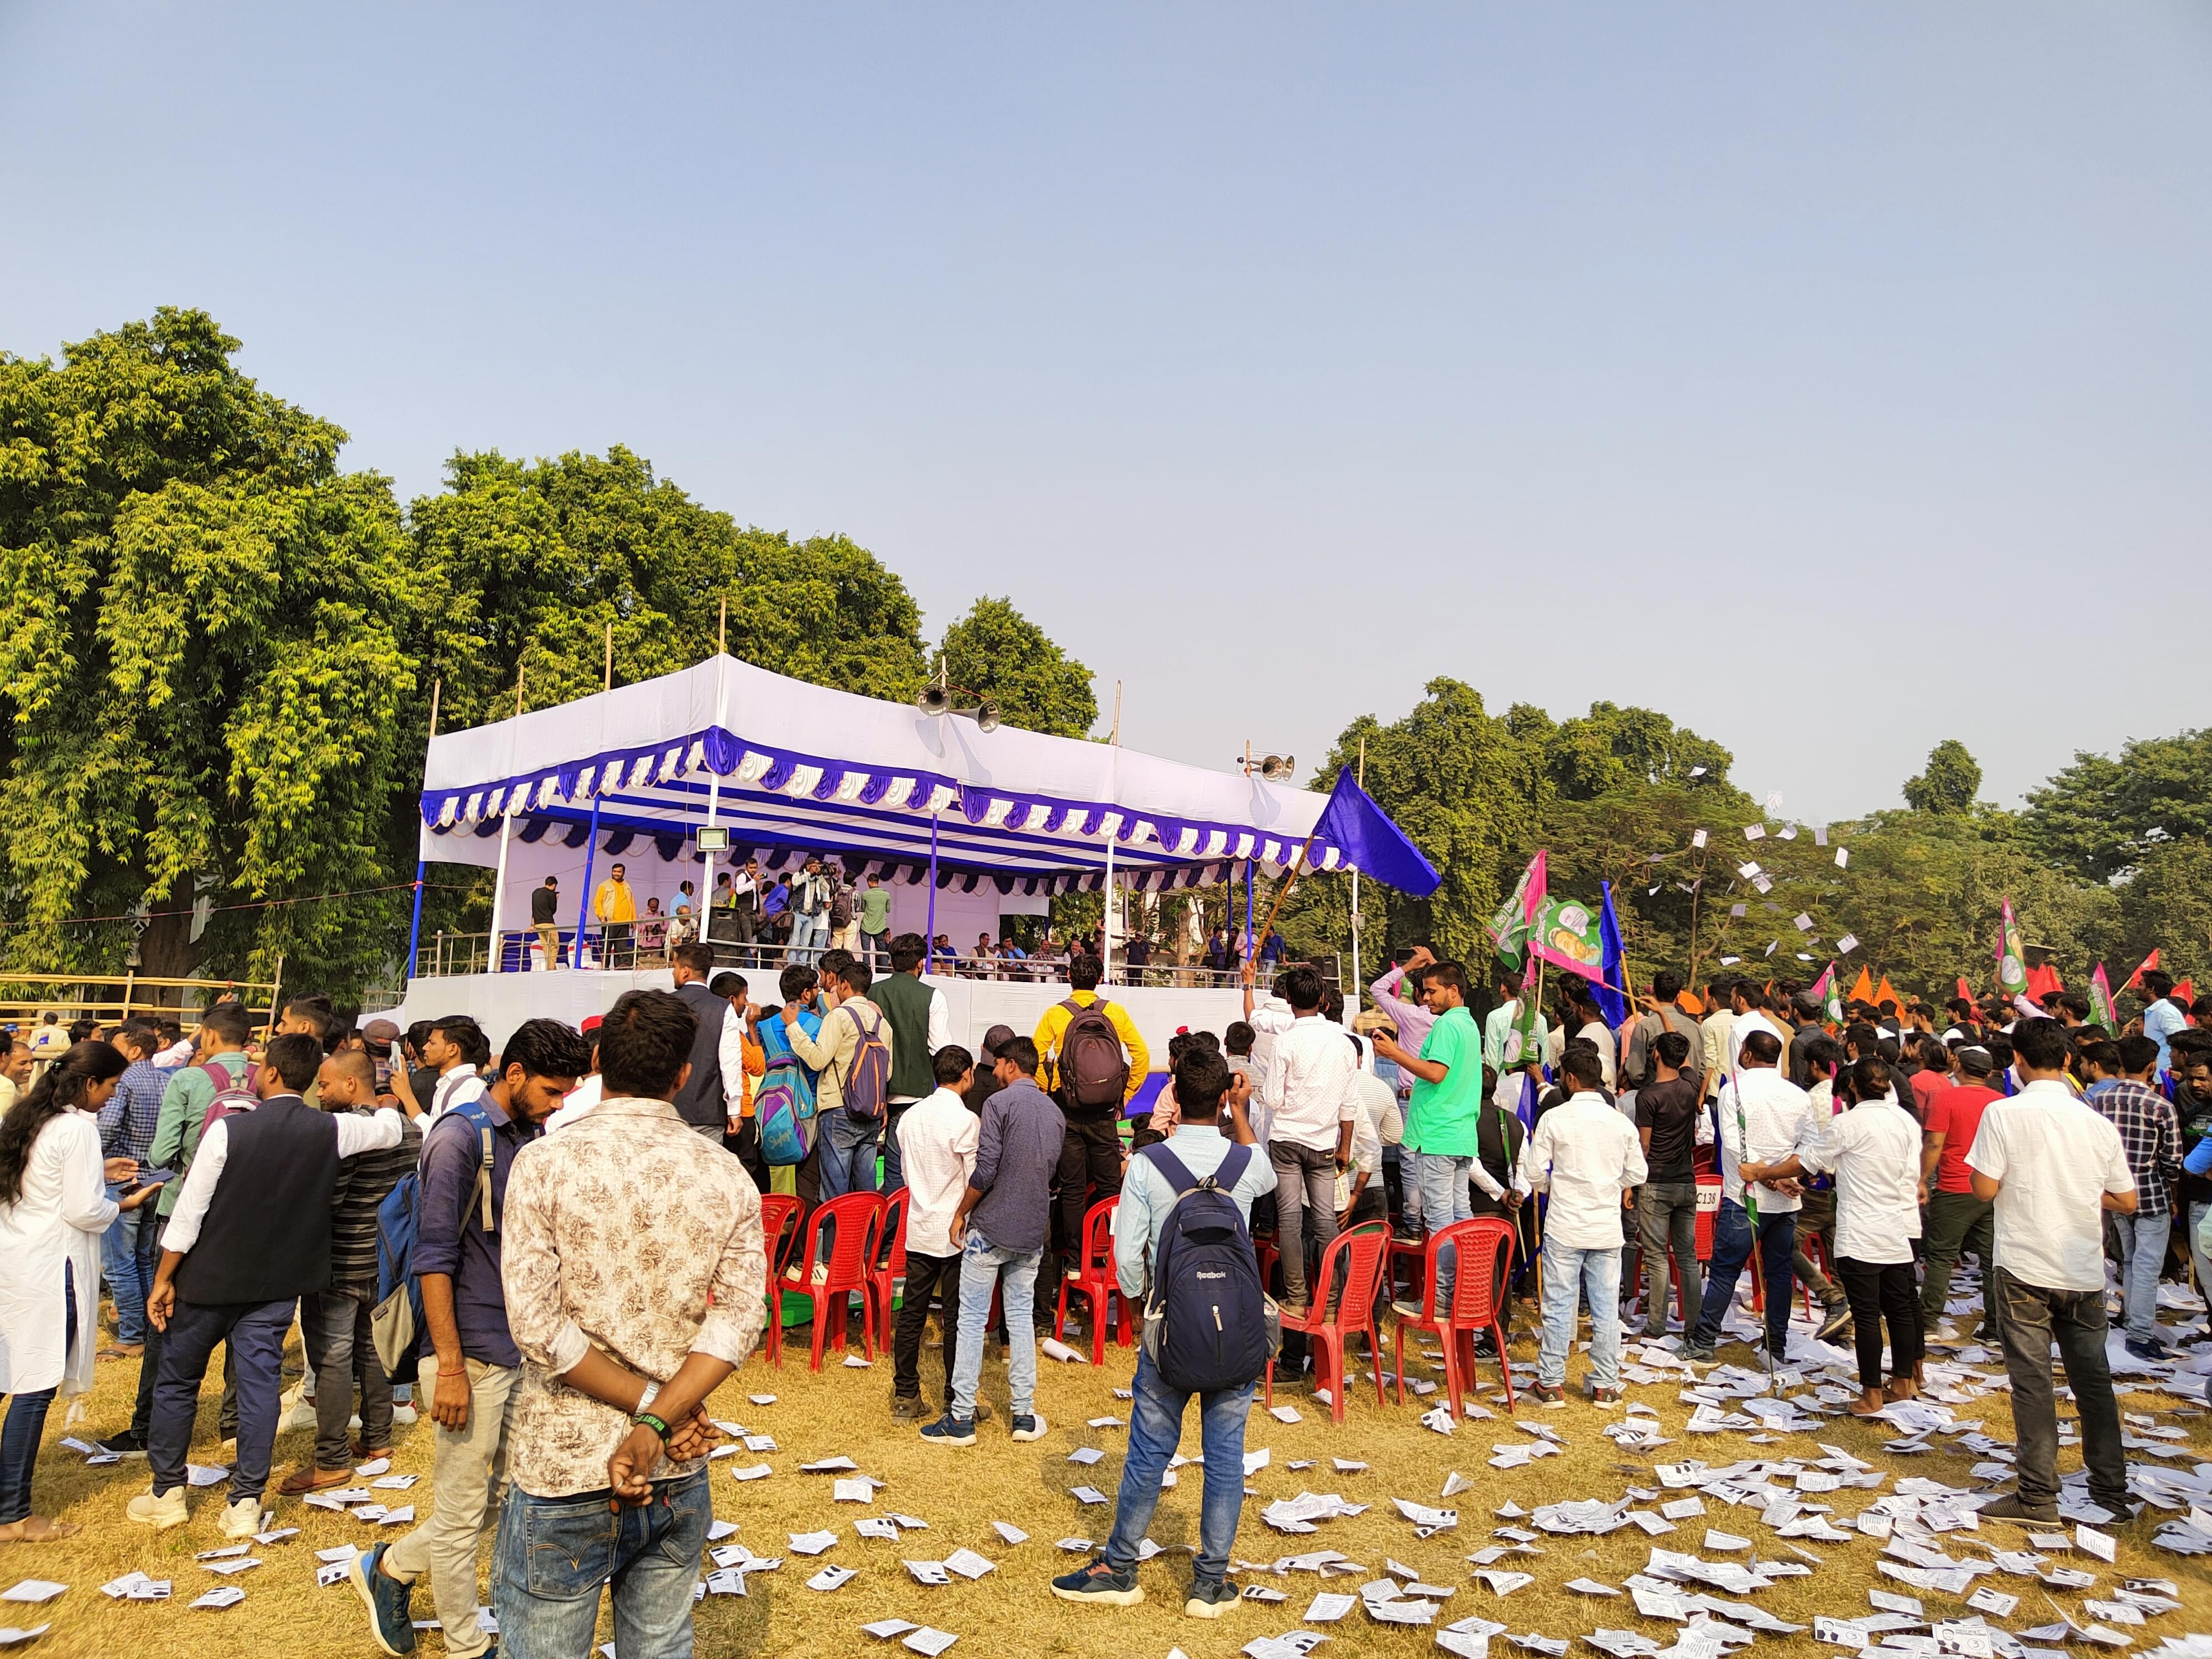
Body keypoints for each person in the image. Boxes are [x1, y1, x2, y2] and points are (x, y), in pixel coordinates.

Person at [481, 992, 762, 1657]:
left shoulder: (545, 1163)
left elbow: (538, 1329)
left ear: (599, 1061)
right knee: (660, 1645)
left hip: (568, 1466)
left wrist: (652, 1416)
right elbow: (738, 1319)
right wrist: (659, 1416)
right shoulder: (724, 1173)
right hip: (672, 1461)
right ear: (683, 1076)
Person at [352, 1019, 590, 1659]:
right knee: (461, 1514)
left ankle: (392, 1566)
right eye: (551, 1090)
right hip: (468, 1352)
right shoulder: (458, 1139)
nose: (559, 1103)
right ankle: (465, 1646)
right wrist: (451, 1366)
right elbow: (433, 1258)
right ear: (513, 1074)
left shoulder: (529, 1134)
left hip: (518, 1346)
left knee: (508, 1497)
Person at [129, 1032, 407, 1536]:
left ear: (272, 1073)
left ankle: (168, 1491)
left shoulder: (228, 1130)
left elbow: (189, 1214)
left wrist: (163, 1278)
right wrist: (388, 1101)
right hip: (277, 1284)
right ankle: (245, 1502)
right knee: (259, 1388)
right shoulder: (333, 1129)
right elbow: (389, 1130)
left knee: (179, 1382)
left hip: (209, 1279)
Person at [1052, 1046, 1271, 1615]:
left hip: (1169, 1323)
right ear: (1221, 1096)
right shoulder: (1246, 1163)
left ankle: (1120, 1567)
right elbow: (1268, 1172)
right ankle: (1210, 1582)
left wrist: (1144, 1300)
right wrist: (1240, 1110)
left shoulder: (1149, 1165)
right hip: (1236, 1328)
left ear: (1174, 1092)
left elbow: (1127, 1260)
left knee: (1150, 1451)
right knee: (1226, 1455)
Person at [1965, 1018, 2138, 1525]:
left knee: (2033, 1383)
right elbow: (2127, 1200)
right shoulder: (2095, 1122)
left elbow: (1983, 1189)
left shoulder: (2003, 1113)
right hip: (2082, 1267)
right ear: (2067, 1060)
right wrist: (2078, 1193)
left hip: (2024, 1263)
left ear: (2017, 1061)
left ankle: (2037, 1496)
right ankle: (2111, 1492)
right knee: (2094, 1382)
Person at [0, 1042, 158, 1541]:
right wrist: (123, 1204)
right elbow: (83, 1211)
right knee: (34, 1385)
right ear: (89, 1083)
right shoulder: (77, 1128)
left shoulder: (34, 1118)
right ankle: (13, 1514)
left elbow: (45, 1180)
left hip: (17, 1262)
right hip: (53, 1270)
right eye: (111, 1087)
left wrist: (100, 1172)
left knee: (8, 1373)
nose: (111, 1097)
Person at [101, 1002, 256, 1457]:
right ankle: (234, 1425)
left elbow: (162, 1153)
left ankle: (148, 1427)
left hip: (183, 1208)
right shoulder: (264, 1078)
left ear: (208, 1036)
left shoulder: (189, 1080)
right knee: (244, 1324)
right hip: (245, 1213)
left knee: (163, 1316)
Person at [1745, 1055, 1924, 1415]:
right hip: (1896, 1225)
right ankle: (1904, 1381)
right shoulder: (1903, 1120)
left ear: (1853, 1086)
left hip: (1861, 1231)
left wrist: (1762, 1172)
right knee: (1900, 1310)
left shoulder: (1848, 1123)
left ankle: (1871, 1394)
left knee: (1867, 1314)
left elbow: (1806, 1162)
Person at [924, 1036, 1062, 1447]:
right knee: (1020, 1320)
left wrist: (961, 1212)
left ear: (1012, 1065)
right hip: (1032, 1229)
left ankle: (961, 1418)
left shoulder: (997, 1105)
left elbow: (985, 1171)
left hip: (991, 1227)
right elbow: (1051, 1173)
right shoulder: (1054, 1112)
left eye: (998, 1064)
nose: (994, 1071)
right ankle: (1023, 1415)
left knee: (971, 1320)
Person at [1521, 1046, 1646, 1404]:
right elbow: (1638, 1172)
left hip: (1565, 1224)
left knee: (1559, 1304)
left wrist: (1553, 1186)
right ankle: (1605, 1383)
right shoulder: (1620, 1122)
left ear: (1571, 1079)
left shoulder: (1555, 1118)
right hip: (1606, 1227)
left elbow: (1534, 1171)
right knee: (1606, 1307)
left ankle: (1550, 1383)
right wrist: (1611, 1184)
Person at [1683, 1029, 1814, 1364]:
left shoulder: (1734, 1090)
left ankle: (1704, 1342)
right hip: (1779, 1196)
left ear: (1747, 1055)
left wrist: (1769, 1177)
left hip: (1746, 1197)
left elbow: (1734, 1144)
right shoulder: (1797, 1095)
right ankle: (1775, 1346)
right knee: (1778, 1274)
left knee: (1726, 1271)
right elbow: (1809, 1146)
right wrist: (1780, 1177)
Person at [1035, 955, 1149, 1313]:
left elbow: (1036, 1057)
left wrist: (1051, 1091)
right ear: (1100, 978)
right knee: (1110, 1189)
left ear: (1069, 977)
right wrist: (1123, 1097)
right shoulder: (1115, 1013)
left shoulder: (1055, 1014)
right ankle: (1113, 1259)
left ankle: (1074, 1263)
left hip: (1068, 1113)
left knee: (1072, 1190)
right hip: (1105, 1115)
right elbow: (1142, 1056)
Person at [1371, 961, 1489, 1309]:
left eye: (1431, 991)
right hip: (1458, 1134)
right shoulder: (1468, 1023)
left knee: (1441, 1222)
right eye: (1424, 991)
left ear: (1453, 991)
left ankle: (1440, 1300)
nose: (1425, 998)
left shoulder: (1449, 1025)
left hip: (1438, 1134)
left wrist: (1395, 1053)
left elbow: (1436, 1073)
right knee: (1460, 1219)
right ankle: (1465, 1296)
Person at [1251, 965, 1357, 1318]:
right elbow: (1349, 1103)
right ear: (1323, 1000)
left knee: (1290, 1220)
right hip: (1324, 1142)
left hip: (1286, 1139)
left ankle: (1297, 1299)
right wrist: (1345, 1147)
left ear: (1289, 1000)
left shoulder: (1285, 1041)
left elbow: (1272, 1098)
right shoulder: (1343, 1043)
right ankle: (1330, 1301)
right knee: (1326, 1221)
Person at [890, 1046, 982, 1423]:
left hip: (920, 1225)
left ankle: (905, 1394)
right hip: (955, 1229)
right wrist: (963, 1213)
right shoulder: (966, 1121)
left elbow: (906, 1174)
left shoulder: (910, 1118)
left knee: (912, 1313)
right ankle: (956, 1399)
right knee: (956, 1317)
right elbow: (975, 1179)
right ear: (966, 1075)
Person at [2084, 1035, 2182, 1359]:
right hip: (2151, 1194)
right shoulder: (2160, 1106)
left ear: (2120, 1064)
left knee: (2128, 1258)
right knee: (2147, 1267)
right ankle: (2140, 1334)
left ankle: (2129, 1318)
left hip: (2114, 1193)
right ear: (2152, 1067)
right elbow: (2172, 1161)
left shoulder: (2099, 1101)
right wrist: (2171, 1190)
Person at [779, 958, 890, 1201]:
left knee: (836, 1192)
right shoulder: (882, 1024)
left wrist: (793, 1028)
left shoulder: (839, 1016)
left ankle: (837, 1228)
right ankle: (867, 1226)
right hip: (871, 1112)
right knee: (866, 1187)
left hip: (839, 1109)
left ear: (845, 984)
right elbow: (887, 1073)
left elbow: (818, 1060)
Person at [1917, 1044, 2005, 1340]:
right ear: (1989, 1073)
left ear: (1958, 1068)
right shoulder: (2000, 1102)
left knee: (1941, 1257)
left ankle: (1929, 1321)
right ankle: (1995, 1327)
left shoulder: (1947, 1098)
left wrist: (1922, 1179)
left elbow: (1934, 1143)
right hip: (1992, 1189)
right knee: (1992, 1260)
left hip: (1954, 1186)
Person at [95, 1022, 168, 1359]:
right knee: (143, 1261)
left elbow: (108, 1126)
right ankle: (148, 1330)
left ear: (134, 1050)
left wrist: (92, 1158)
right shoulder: (167, 1079)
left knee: (119, 1265)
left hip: (122, 1181)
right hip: (155, 1180)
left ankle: (130, 1335)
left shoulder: (122, 1081)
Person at [1634, 1030, 1706, 1337]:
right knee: (1687, 1257)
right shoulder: (1690, 1086)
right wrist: (1666, 1018)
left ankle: (1656, 1326)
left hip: (1656, 1182)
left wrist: (1632, 1182)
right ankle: (1694, 1325)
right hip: (1686, 1181)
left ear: (1656, 1055)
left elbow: (1644, 1146)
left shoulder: (1648, 1096)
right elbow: (1686, 1060)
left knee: (1657, 1259)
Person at [873, 934, 950, 1194]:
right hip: (917, 1094)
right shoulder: (933, 997)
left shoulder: (872, 992)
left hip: (874, 1095)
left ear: (892, 962)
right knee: (909, 1170)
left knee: (876, 1168)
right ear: (920, 963)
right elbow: (939, 1049)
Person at [665, 943, 744, 1144]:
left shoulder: (664, 1005)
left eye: (675, 968)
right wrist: (734, 1110)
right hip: (709, 1113)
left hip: (668, 1109)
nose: (673, 973)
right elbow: (731, 1062)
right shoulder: (723, 1008)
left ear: (685, 971)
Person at [1625, 972, 1704, 1093]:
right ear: (1678, 995)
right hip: (1688, 1096)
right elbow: (1702, 1071)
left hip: (1654, 1095)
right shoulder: (1696, 1028)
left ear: (1653, 992)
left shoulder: (1645, 1027)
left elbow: (1635, 1072)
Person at [2140, 971, 2187, 1076]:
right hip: (2156, 1075)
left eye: (2140, 984)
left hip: (2164, 1076)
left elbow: (2181, 1041)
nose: (2136, 988)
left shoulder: (2164, 1011)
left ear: (2151, 989)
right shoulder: (2156, 1011)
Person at [788, 855, 832, 967]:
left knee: (805, 943)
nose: (817, 868)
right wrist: (808, 874)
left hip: (811, 916)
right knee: (794, 941)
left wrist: (820, 876)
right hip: (798, 913)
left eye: (818, 866)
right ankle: (791, 965)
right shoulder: (799, 875)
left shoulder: (818, 879)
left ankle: (802, 965)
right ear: (808, 866)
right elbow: (795, 883)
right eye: (814, 866)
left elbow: (826, 889)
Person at [593, 861, 637, 969]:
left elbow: (632, 904)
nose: (616, 874)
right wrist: (601, 915)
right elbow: (598, 902)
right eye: (614, 871)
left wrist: (634, 920)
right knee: (607, 948)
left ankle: (618, 970)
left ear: (623, 873)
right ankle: (605, 969)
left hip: (625, 923)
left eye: (619, 872)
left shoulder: (627, 886)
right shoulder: (604, 885)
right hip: (610, 922)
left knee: (621, 950)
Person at [858, 872, 893, 974]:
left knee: (866, 951)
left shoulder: (865, 894)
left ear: (869, 882)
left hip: (866, 926)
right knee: (882, 950)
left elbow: (863, 909)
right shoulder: (886, 895)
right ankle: (884, 971)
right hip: (880, 927)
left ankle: (866, 972)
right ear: (878, 882)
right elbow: (888, 910)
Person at [530, 875, 561, 969]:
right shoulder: (551, 894)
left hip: (538, 924)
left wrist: (532, 924)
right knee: (554, 946)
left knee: (546, 947)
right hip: (548, 923)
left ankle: (551, 968)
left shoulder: (535, 893)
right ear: (554, 885)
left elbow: (534, 909)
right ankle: (550, 969)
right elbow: (553, 910)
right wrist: (556, 899)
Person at [635, 896, 669, 961]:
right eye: (652, 906)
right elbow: (637, 926)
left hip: (657, 946)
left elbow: (668, 925)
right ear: (648, 905)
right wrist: (646, 928)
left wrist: (661, 929)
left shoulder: (663, 916)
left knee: (655, 964)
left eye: (655, 906)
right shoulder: (642, 916)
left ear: (658, 906)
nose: (653, 908)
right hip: (643, 946)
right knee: (641, 963)